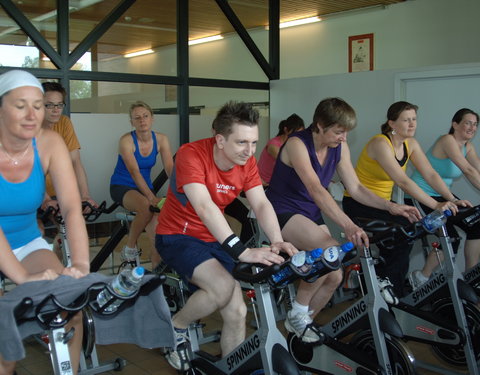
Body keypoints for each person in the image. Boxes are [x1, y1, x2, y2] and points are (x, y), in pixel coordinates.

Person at [155, 101, 296, 371]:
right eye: (242, 142)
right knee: (221, 288)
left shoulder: (247, 162)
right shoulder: (190, 154)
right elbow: (205, 207)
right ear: (220, 139)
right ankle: (176, 328)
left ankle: (232, 367)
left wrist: (276, 239)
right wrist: (241, 251)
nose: (250, 151)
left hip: (213, 236)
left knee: (238, 311)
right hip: (177, 235)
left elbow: (262, 204)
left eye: (254, 142)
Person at [266, 97, 420, 342]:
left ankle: (300, 329)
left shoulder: (340, 147)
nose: (343, 138)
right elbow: (316, 189)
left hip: (309, 210)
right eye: (338, 131)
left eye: (346, 132)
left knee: (335, 276)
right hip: (282, 209)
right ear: (319, 125)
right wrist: (348, 225)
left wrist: (391, 207)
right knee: (328, 250)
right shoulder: (297, 144)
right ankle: (296, 312)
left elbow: (356, 188)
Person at [0, 69, 90, 374]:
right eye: (20, 105)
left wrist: (80, 267)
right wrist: (22, 279)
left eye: (38, 105)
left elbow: (71, 207)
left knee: (70, 306)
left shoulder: (50, 143)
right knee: (4, 334)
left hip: (25, 238)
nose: (31, 114)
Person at [342, 101, 469, 297]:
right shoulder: (380, 143)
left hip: (383, 205)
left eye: (414, 120)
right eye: (406, 120)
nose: (412, 124)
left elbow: (431, 174)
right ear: (392, 123)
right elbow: (402, 181)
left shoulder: (411, 144)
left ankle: (386, 283)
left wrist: (451, 198)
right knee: (403, 231)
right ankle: (389, 288)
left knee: (406, 234)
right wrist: (436, 204)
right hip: (359, 203)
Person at [407, 108, 480, 288]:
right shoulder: (447, 140)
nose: (472, 127)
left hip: (443, 195)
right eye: (467, 123)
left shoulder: (468, 146)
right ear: (455, 124)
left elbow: (477, 167)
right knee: (451, 237)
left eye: (475, 124)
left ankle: (471, 276)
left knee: (477, 225)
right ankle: (421, 276)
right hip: (421, 195)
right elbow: (468, 170)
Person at [110, 101, 173, 269]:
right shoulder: (126, 141)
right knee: (146, 206)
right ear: (132, 122)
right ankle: (130, 247)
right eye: (137, 118)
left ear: (152, 118)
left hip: (144, 187)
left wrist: (178, 191)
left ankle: (158, 277)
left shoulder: (161, 139)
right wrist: (151, 197)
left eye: (145, 116)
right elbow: (134, 172)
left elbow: (169, 168)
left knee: (156, 235)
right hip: (122, 185)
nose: (142, 120)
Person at [41, 82, 97, 210]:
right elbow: (29, 170)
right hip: (31, 192)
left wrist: (85, 195)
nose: (56, 110)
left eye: (59, 105)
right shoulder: (28, 128)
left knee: (74, 218)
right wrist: (46, 199)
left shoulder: (64, 122)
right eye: (49, 105)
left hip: (58, 190)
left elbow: (75, 161)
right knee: (41, 224)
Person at [257, 113, 305, 186]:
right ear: (286, 130)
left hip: (275, 183)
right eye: (295, 133)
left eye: (300, 134)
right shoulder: (273, 144)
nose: (297, 137)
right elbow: (290, 163)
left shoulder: (294, 144)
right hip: (263, 183)